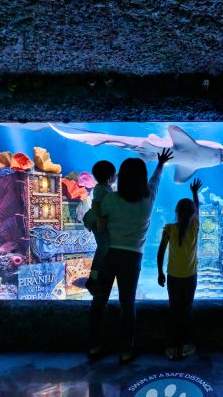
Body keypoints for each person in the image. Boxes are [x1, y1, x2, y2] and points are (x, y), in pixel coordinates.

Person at [88, 148, 173, 364]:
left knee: (99, 301)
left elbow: (94, 215)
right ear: (142, 179)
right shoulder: (148, 199)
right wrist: (161, 163)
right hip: (132, 257)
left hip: (109, 255)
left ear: (120, 178)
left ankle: (94, 346)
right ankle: (126, 350)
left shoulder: (112, 200)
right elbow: (156, 180)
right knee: (127, 304)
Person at [157, 178, 202, 360]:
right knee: (187, 310)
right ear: (192, 214)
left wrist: (160, 272)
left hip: (173, 277)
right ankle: (186, 345)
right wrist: (194, 193)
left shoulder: (169, 228)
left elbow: (160, 253)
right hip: (190, 276)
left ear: (176, 212)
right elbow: (197, 210)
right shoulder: (195, 227)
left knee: (174, 310)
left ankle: (171, 346)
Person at [84, 160, 116, 296]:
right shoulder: (101, 188)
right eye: (114, 175)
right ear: (110, 177)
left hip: (97, 221)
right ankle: (93, 277)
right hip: (97, 222)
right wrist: (101, 221)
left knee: (105, 246)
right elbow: (96, 205)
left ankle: (95, 275)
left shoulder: (104, 187)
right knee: (103, 246)